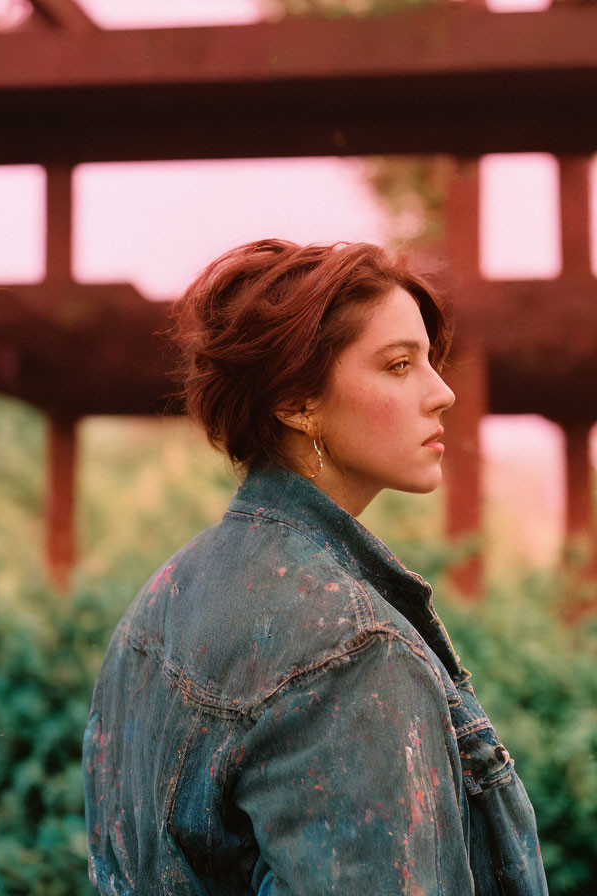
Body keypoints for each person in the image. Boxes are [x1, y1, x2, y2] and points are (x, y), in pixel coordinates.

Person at [82, 239, 548, 895]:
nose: (441, 393)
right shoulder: (354, 653)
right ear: (297, 402)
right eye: (397, 365)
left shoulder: (162, 600)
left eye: (430, 363)